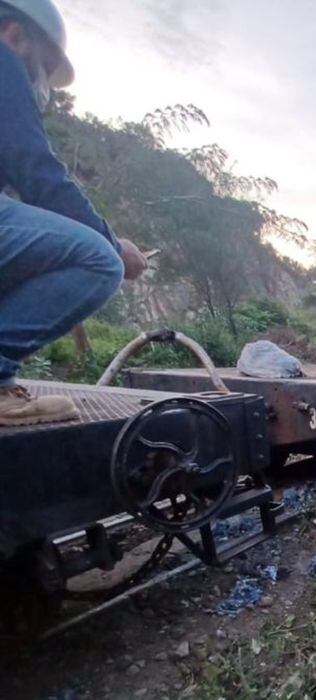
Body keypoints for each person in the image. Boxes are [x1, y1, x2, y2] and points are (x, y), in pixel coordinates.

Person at [0, 0, 149, 425]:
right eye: (44, 68)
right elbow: (39, 174)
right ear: (15, 36)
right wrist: (112, 241)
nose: (42, 84)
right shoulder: (3, 60)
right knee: (98, 260)